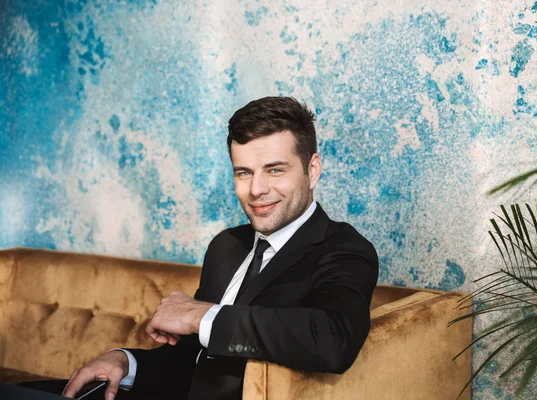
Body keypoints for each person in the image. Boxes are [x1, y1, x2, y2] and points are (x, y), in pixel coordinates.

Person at [29, 97, 379, 400]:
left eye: (274, 170)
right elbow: (192, 362)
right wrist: (127, 362)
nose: (256, 189)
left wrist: (199, 314)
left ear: (312, 169)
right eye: (243, 172)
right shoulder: (227, 245)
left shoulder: (344, 249)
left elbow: (333, 339)